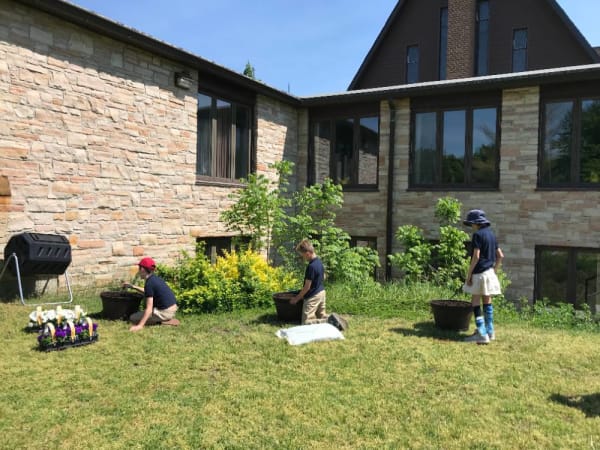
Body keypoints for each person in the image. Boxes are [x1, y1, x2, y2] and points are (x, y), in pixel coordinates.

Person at [462, 209, 504, 344]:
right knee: (487, 301)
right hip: (490, 273)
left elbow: (476, 256)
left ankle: (481, 334)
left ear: (476, 223)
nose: (471, 227)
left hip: (479, 273)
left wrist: (469, 275)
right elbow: (500, 256)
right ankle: (489, 332)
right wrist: (494, 271)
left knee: (475, 301)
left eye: (471, 224)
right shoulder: (492, 235)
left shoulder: (477, 235)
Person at [289, 239, 348, 331]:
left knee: (306, 323)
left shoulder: (311, 266)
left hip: (313, 296)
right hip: (321, 292)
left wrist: (297, 298)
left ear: (308, 253)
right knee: (321, 315)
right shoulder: (319, 262)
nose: (303, 258)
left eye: (303, 255)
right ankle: (337, 320)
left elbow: (307, 287)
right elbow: (323, 276)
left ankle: (331, 322)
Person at [122, 257, 179, 332]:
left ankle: (162, 321)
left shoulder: (149, 283)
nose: (138, 271)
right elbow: (148, 292)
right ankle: (164, 319)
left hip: (165, 312)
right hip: (172, 309)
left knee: (133, 318)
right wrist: (132, 286)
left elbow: (149, 309)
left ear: (142, 269)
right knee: (140, 315)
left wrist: (140, 326)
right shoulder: (154, 279)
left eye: (139, 268)